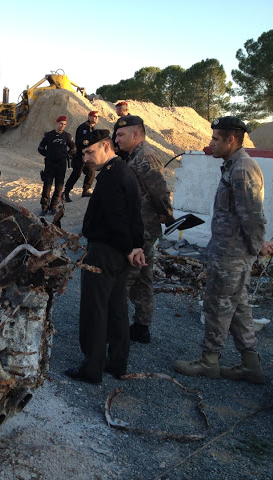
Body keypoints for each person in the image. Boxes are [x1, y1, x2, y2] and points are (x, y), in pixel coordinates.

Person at [174, 116, 266, 384]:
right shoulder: (232, 166)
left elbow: (253, 216)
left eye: (215, 139)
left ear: (231, 140)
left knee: (217, 306)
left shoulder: (242, 169)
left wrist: (253, 250)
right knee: (237, 308)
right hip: (228, 251)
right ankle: (251, 365)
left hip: (232, 255)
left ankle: (209, 361)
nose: (210, 143)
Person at [64, 129, 146, 385]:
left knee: (95, 309)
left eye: (90, 152)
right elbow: (135, 216)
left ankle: (92, 368)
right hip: (120, 252)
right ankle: (117, 363)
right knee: (116, 308)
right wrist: (135, 247)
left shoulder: (112, 175)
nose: (86, 158)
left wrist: (128, 247)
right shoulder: (125, 171)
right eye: (83, 153)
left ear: (107, 146)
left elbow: (117, 219)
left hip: (104, 251)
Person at [115, 115, 175, 344]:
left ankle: (115, 329)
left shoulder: (145, 157)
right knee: (142, 279)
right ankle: (141, 326)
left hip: (143, 230)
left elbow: (159, 190)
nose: (117, 139)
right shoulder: (135, 156)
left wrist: (167, 216)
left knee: (124, 278)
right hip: (141, 228)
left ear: (136, 134)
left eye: (121, 135)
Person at [38, 115, 76, 215]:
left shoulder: (67, 136)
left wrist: (66, 155)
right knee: (47, 186)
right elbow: (40, 148)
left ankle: (53, 207)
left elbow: (73, 148)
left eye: (64, 124)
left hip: (61, 165)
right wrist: (49, 155)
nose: (62, 126)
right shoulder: (48, 135)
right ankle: (45, 207)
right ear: (56, 123)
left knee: (59, 187)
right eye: (60, 124)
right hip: (50, 164)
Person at [63, 110, 99, 202]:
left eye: (97, 117)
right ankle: (65, 193)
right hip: (80, 155)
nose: (96, 118)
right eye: (94, 116)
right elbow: (82, 142)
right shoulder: (84, 127)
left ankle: (85, 190)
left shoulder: (92, 128)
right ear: (89, 117)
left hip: (87, 156)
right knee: (76, 174)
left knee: (91, 172)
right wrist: (84, 154)